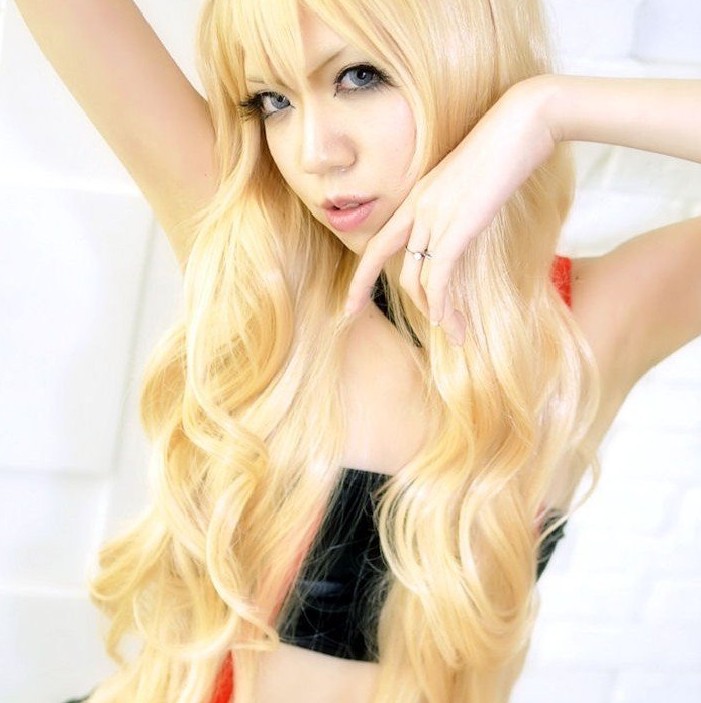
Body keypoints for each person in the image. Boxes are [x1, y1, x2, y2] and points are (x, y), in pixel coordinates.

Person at [15, 0, 701, 702]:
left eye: (360, 76)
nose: (314, 153)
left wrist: (549, 107)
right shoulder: (273, 268)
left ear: (467, 60)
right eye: (273, 100)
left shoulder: (597, 321)